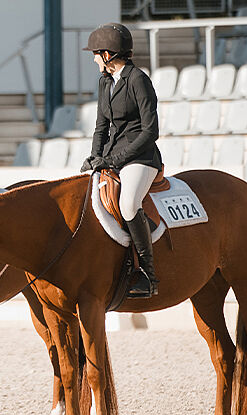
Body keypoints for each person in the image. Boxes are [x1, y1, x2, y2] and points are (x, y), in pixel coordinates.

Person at [80, 22, 163, 298]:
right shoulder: (105, 82)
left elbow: (151, 131)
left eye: (95, 54)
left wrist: (115, 158)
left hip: (141, 156)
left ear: (108, 55)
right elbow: (101, 127)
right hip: (113, 155)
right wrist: (95, 157)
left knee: (128, 204)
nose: (93, 59)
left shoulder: (138, 79)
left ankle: (147, 274)